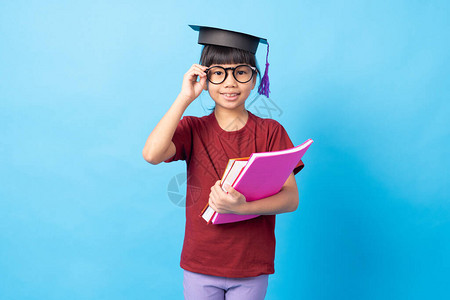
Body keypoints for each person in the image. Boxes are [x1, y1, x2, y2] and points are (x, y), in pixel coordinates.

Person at [142, 25, 305, 300]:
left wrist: (244, 207)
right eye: (219, 73)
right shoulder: (192, 129)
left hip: (250, 265)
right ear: (205, 78)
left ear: (254, 78)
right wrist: (184, 98)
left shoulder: (271, 132)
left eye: (241, 72)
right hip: (201, 264)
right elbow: (152, 154)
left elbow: (291, 199)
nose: (230, 83)